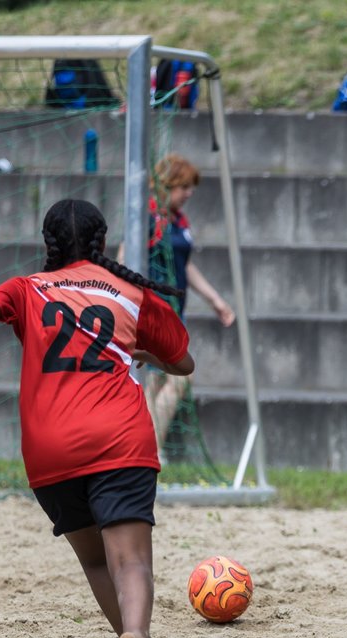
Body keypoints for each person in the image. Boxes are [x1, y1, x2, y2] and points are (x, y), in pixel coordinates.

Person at [0, 199, 194, 638]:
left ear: (47, 244)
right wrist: (146, 354)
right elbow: (184, 362)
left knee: (95, 562)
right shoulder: (132, 292)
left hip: (50, 451)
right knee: (130, 561)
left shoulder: (26, 289)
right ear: (101, 241)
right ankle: (137, 636)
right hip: (120, 438)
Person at [134, 153, 234, 455]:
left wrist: (215, 299)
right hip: (153, 309)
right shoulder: (147, 217)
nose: (189, 194)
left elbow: (185, 264)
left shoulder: (177, 220)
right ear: (169, 184)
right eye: (185, 187)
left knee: (163, 379)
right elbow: (127, 256)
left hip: (175, 311)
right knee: (171, 378)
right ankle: (151, 449)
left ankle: (149, 447)